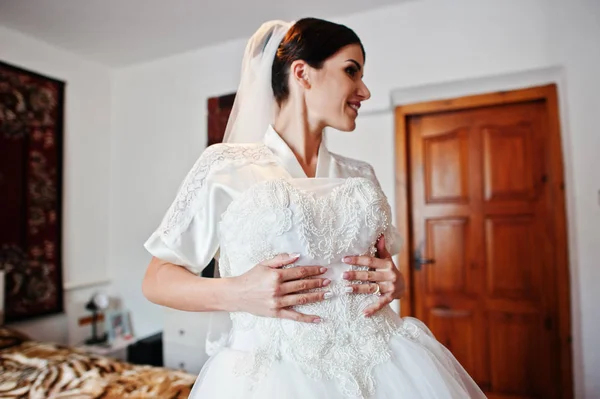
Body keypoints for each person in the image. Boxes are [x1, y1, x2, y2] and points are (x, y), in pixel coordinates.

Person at [142, 17, 486, 399]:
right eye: (351, 71)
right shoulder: (226, 167)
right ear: (302, 73)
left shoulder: (361, 175)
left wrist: (395, 282)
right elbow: (157, 279)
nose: (365, 91)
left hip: (383, 366)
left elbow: (382, 273)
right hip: (274, 377)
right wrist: (238, 292)